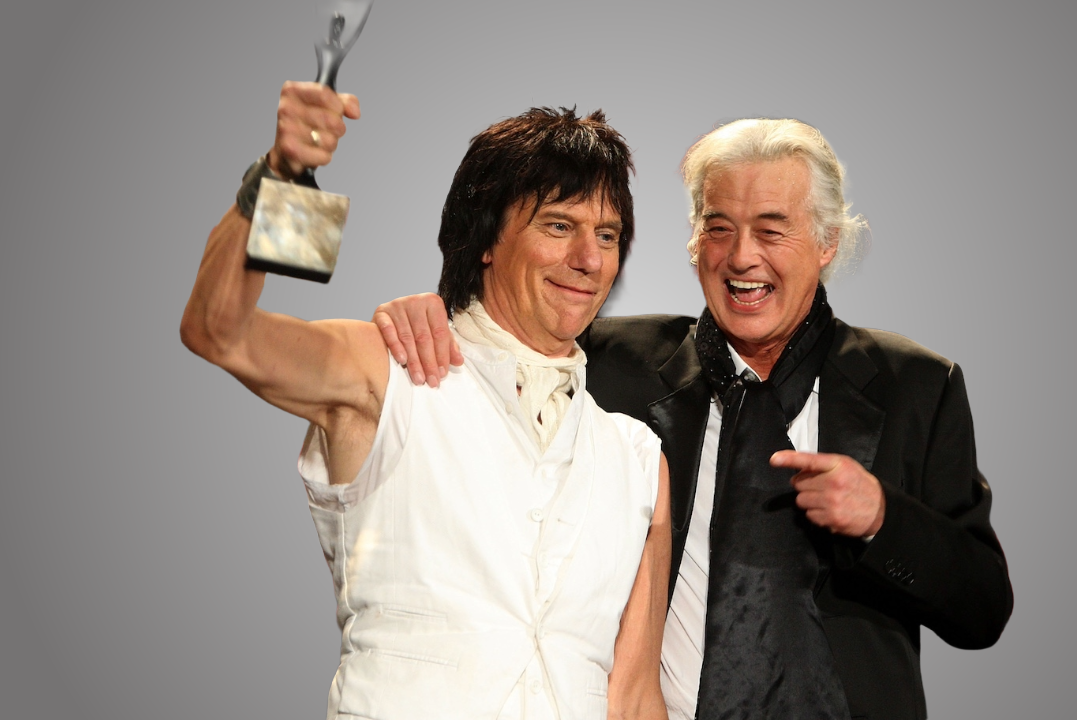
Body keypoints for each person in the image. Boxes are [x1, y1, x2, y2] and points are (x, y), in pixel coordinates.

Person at [373, 118, 1014, 720]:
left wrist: (882, 520)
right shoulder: (606, 361)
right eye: (718, 228)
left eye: (771, 229)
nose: (741, 258)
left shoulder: (916, 385)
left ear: (827, 242)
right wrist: (432, 310)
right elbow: (511, 320)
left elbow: (983, 609)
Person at [180, 81, 671, 720]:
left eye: (607, 236)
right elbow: (219, 331)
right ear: (487, 240)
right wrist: (284, 174)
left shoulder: (637, 460)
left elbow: (632, 700)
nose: (588, 259)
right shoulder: (388, 371)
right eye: (559, 226)